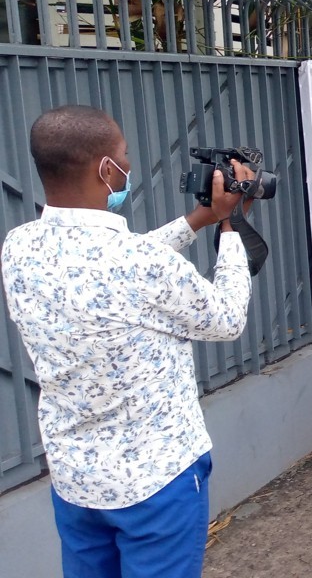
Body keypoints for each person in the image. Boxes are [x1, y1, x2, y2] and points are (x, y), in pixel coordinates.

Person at [1, 105, 253, 578]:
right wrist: (230, 226)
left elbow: (111, 268)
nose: (129, 164)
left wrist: (197, 219)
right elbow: (227, 318)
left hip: (76, 482)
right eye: (125, 155)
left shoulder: (18, 247)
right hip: (158, 485)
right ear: (106, 169)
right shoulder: (141, 265)